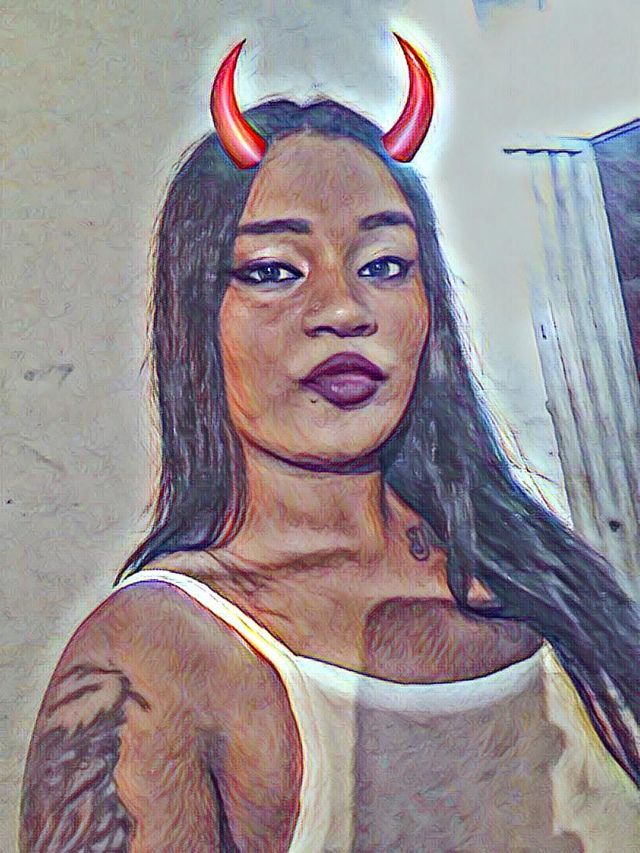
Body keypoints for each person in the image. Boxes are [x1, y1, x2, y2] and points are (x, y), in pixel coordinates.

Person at [20, 36, 639, 851]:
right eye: (275, 270)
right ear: (198, 319)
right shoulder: (150, 659)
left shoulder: (533, 569)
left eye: (384, 264)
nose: (344, 309)